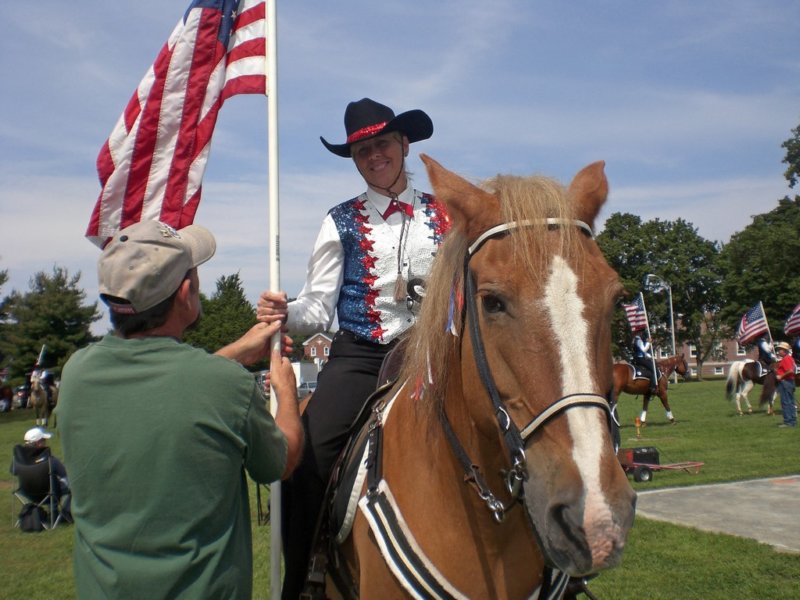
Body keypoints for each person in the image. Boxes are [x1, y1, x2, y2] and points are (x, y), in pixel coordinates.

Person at [257, 97, 449, 599]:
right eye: (362, 150)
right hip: (363, 355)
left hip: (436, 355)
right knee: (309, 458)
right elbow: (317, 308)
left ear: (404, 145)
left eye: (382, 144)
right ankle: (304, 579)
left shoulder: (447, 213)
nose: (373, 156)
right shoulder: (338, 219)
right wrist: (285, 311)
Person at [57, 220, 304, 600]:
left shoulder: (76, 373)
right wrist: (287, 394)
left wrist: (234, 353)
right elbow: (281, 461)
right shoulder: (221, 383)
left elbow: (165, 390)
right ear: (186, 291)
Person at [11, 427, 72, 521]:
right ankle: (63, 514)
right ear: (38, 443)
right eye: (43, 440)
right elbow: (64, 474)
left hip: (26, 493)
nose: (45, 443)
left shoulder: (18, 460)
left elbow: (13, 471)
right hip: (49, 495)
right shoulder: (50, 460)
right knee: (74, 485)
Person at [774, 341, 797, 428]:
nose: (778, 351)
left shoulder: (786, 359)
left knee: (786, 402)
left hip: (785, 382)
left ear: (784, 350)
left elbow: (790, 370)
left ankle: (788, 422)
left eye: (780, 349)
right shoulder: (788, 358)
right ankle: (792, 421)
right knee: (790, 402)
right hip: (789, 382)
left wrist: (781, 376)